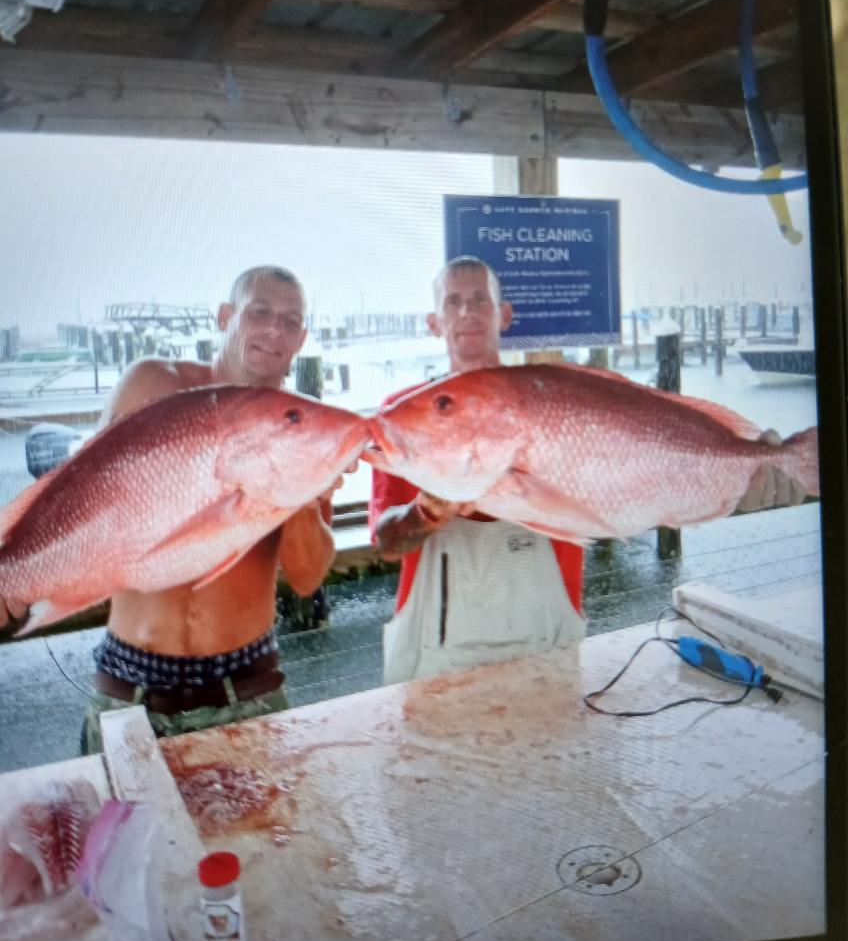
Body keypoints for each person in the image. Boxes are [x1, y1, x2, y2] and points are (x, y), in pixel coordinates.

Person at [369, 256, 809, 686]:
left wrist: (736, 484)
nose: (467, 312)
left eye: (480, 300)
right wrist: (425, 512)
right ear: (433, 321)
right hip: (436, 655)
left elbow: (647, 486)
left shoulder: (554, 391)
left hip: (548, 639)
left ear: (504, 315)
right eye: (453, 301)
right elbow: (386, 542)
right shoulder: (404, 417)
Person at [68, 265, 339, 751]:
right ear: (225, 316)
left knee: (260, 831)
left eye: (290, 321)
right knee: (115, 831)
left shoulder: (308, 427)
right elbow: (83, 497)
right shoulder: (152, 385)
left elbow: (308, 576)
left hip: (244, 688)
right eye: (259, 312)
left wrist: (288, 480)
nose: (274, 330)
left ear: (301, 339)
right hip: (130, 690)